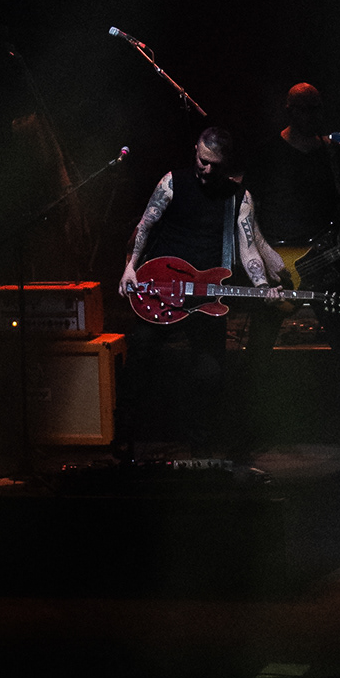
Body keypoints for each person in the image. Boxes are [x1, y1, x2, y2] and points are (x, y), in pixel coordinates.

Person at [118, 125, 285, 462]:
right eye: (203, 160)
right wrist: (129, 267)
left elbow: (248, 249)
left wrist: (263, 287)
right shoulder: (172, 182)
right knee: (139, 358)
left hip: (207, 297)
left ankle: (201, 447)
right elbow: (145, 226)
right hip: (161, 288)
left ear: (227, 163)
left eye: (215, 165)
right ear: (195, 149)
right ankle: (125, 438)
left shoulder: (239, 198)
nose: (207, 169)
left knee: (210, 374)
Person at [244, 83, 340, 451]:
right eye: (304, 109)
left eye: (317, 108)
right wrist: (263, 258)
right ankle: (249, 433)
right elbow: (246, 212)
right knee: (258, 350)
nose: (312, 116)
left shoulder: (332, 154)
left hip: (324, 262)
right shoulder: (267, 153)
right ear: (289, 110)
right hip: (278, 265)